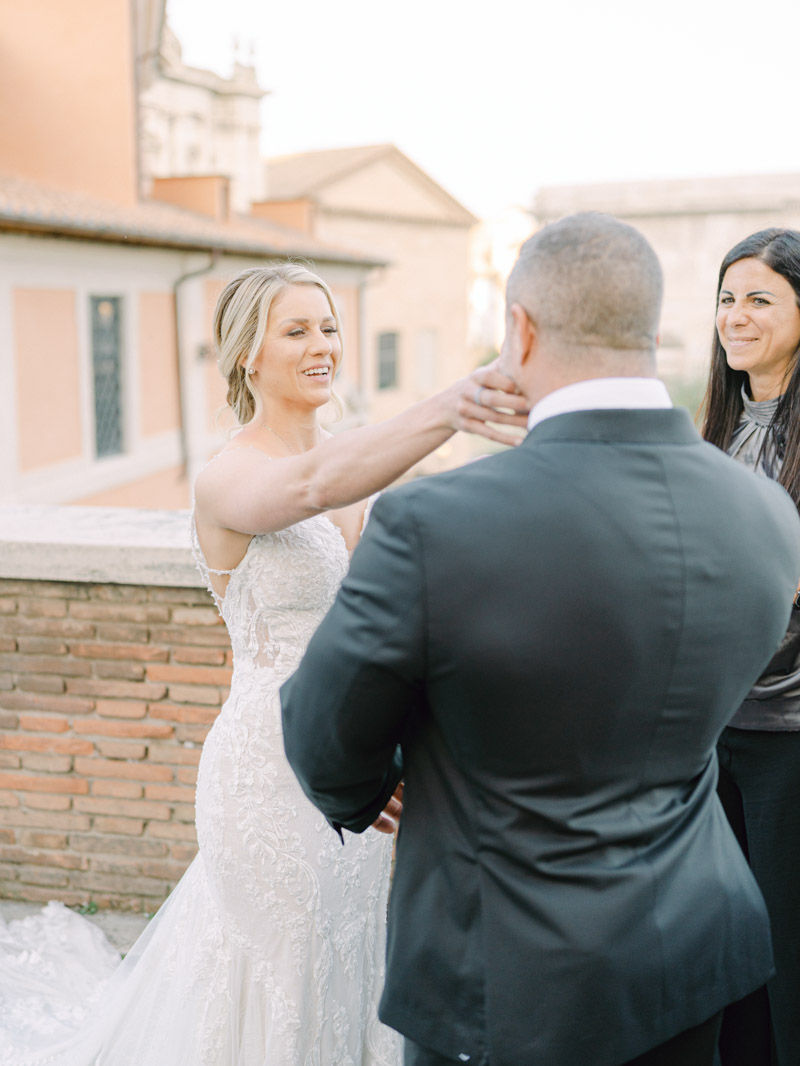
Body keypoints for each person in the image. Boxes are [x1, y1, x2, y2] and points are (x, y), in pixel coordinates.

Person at [281, 213, 800, 1066]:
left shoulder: (427, 521)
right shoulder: (763, 514)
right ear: (653, 329)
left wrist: (372, 789)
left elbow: (322, 738)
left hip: (503, 976)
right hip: (693, 962)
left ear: (519, 330)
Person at [0, 262, 528, 1065]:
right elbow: (311, 485)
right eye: (297, 330)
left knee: (359, 963)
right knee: (285, 972)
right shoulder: (228, 478)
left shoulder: (357, 460)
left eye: (329, 327)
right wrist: (454, 403)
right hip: (269, 772)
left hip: (369, 763)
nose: (323, 346)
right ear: (248, 354)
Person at [701, 228, 800, 1066]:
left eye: (760, 298)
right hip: (716, 732)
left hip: (791, 737)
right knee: (724, 957)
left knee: (789, 961)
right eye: (728, 299)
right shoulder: (721, 429)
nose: (736, 316)